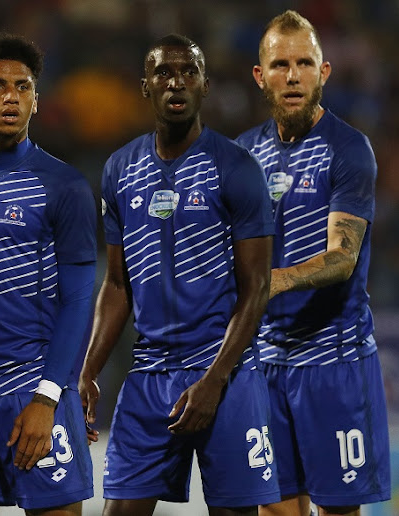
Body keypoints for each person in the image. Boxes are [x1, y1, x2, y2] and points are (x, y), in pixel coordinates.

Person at [79, 34, 279, 516]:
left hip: (226, 377)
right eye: (164, 73)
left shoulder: (236, 168)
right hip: (149, 377)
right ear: (144, 87)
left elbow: (257, 287)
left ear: (205, 85)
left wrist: (214, 380)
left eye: (188, 72)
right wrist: (86, 371)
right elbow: (117, 285)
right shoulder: (119, 169)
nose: (177, 82)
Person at [235, 10, 391, 516]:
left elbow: (343, 258)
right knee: (274, 509)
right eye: (281, 64)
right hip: (265, 366)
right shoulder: (242, 156)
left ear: (325, 72)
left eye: (306, 63)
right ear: (261, 76)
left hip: (335, 366)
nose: (294, 75)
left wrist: (270, 282)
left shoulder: (348, 150)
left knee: (338, 511)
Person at [0, 33, 96, 516]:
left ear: (35, 100)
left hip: (31, 387)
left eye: (23, 87)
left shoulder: (64, 186)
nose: (11, 96)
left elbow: (77, 300)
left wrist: (48, 398)